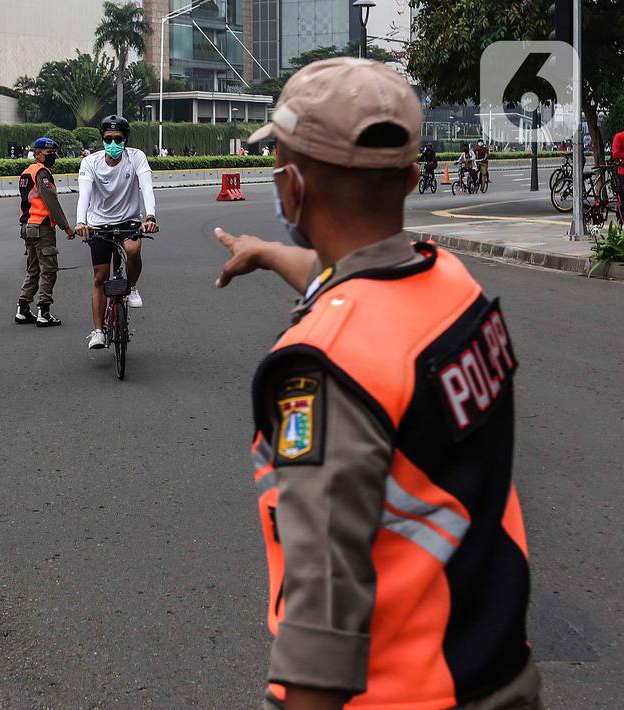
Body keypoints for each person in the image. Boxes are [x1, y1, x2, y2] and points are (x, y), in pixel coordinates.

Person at [215, 57, 539, 710]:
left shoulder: (322, 367)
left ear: (291, 189)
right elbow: (354, 276)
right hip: (500, 671)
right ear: (414, 177)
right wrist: (267, 252)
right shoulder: (450, 285)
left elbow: (323, 612)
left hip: (400, 694)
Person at [74, 114, 159, 350]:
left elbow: (147, 188)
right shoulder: (90, 162)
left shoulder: (136, 157)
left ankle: (131, 287)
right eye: (108, 138)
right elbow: (85, 194)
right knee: (100, 277)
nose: (113, 143)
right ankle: (98, 331)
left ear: (125, 139)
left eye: (118, 139)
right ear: (102, 139)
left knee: (133, 249)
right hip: (98, 224)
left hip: (128, 221)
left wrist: (150, 216)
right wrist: (81, 222)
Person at [16, 137, 75, 327]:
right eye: (50, 153)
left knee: (33, 270)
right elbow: (50, 201)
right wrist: (65, 226)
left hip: (27, 227)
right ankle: (44, 311)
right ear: (38, 153)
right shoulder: (41, 173)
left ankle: (23, 308)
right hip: (41, 226)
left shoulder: (27, 172)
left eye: (54, 153)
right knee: (49, 269)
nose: (53, 156)